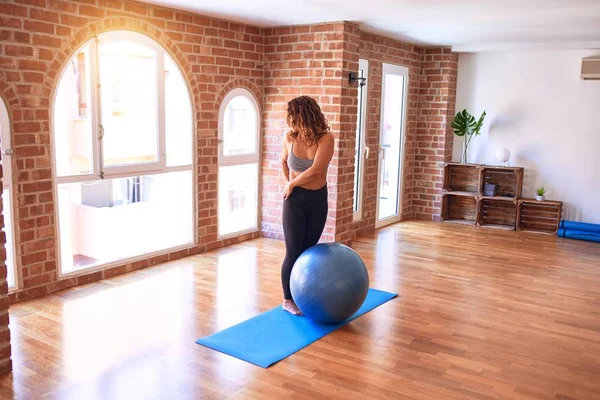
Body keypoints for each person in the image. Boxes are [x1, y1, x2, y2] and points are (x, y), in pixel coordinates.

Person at [280, 96, 335, 316]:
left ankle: (304, 292)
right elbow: (283, 161)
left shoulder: (326, 138)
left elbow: (317, 170)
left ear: (305, 116)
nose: (290, 121)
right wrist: (289, 184)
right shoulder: (289, 138)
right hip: (294, 201)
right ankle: (288, 299)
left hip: (317, 200)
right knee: (293, 250)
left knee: (308, 250)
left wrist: (292, 183)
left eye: (293, 117)